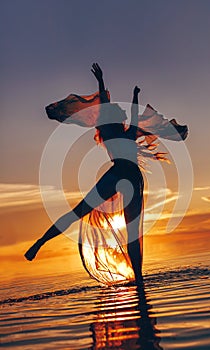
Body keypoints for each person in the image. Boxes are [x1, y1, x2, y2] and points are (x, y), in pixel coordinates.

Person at [25, 63, 144, 284]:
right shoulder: (109, 127)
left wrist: (135, 95)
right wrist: (100, 80)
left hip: (130, 179)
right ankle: (40, 242)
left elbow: (133, 115)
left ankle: (138, 279)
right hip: (121, 174)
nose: (121, 111)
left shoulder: (126, 132)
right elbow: (106, 103)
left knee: (133, 232)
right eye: (118, 110)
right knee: (77, 212)